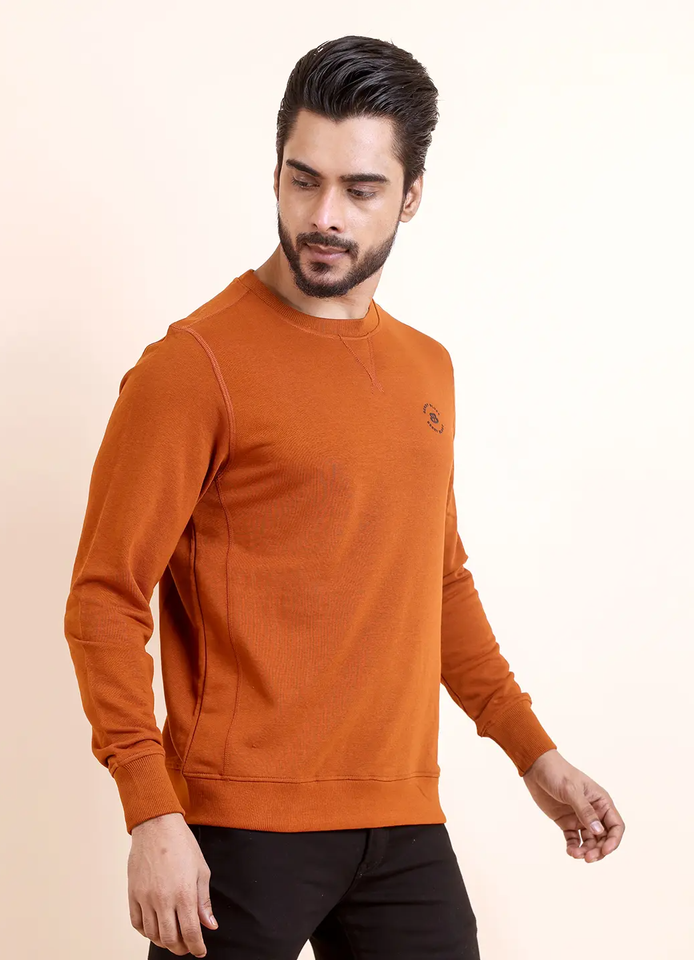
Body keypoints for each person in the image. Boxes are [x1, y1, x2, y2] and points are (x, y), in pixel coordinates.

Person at [63, 34, 625, 960]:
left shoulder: (427, 369)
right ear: (276, 172)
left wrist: (535, 755)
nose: (324, 216)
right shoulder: (193, 368)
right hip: (236, 830)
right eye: (304, 180)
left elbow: (437, 583)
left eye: (360, 190)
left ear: (410, 196)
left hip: (402, 823)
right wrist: (150, 811)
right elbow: (104, 598)